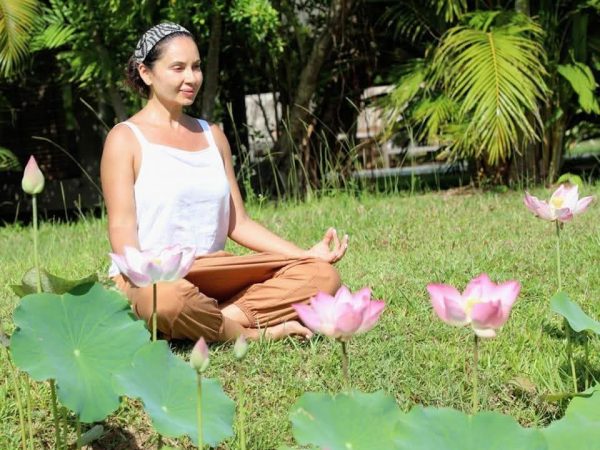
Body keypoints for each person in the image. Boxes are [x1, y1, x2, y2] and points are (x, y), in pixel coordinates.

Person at [100, 22, 348, 343]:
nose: (191, 78)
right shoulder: (124, 139)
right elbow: (121, 227)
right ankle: (257, 334)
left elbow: (238, 223)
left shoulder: (213, 136)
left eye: (196, 67)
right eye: (178, 68)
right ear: (146, 73)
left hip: (213, 272)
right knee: (165, 300)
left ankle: (211, 320)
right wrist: (143, 278)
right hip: (156, 277)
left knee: (322, 275)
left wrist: (305, 255)